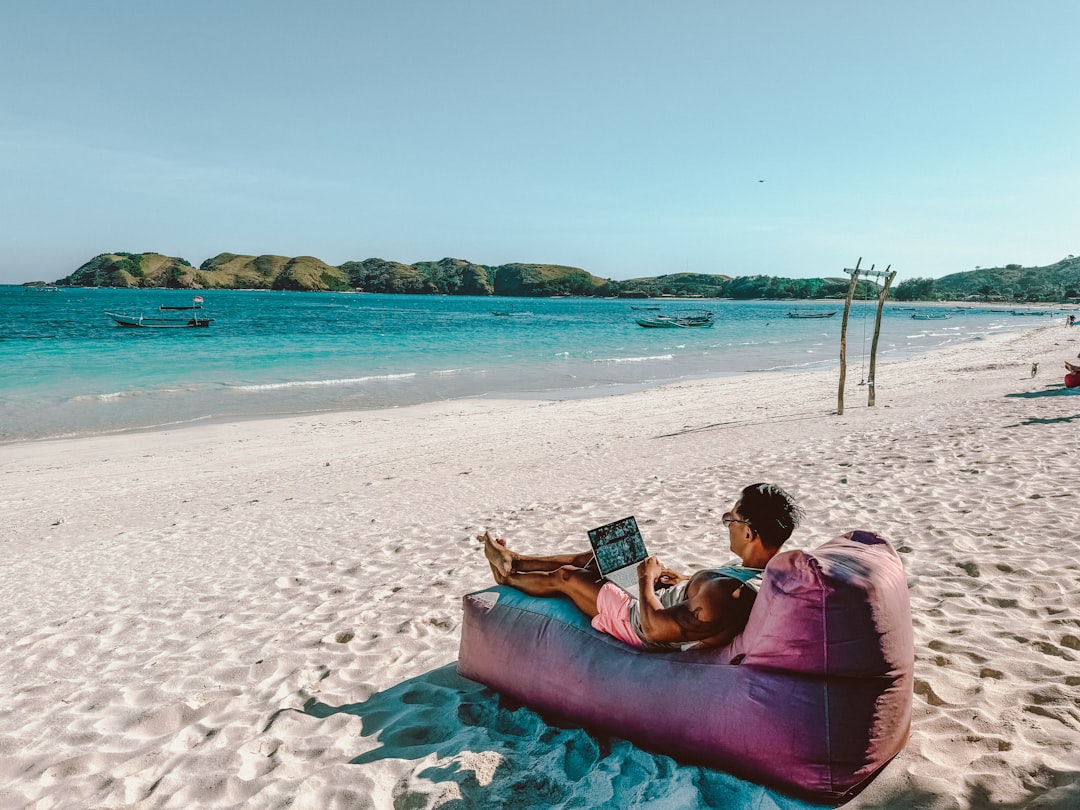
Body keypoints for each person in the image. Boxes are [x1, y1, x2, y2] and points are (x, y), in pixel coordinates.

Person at [481, 482, 803, 651]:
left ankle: (507, 577)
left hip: (636, 619)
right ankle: (517, 560)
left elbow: (653, 630)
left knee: (568, 577)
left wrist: (645, 579)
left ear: (749, 533)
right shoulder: (760, 572)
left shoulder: (724, 596)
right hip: (662, 598)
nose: (727, 523)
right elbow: (708, 594)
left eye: (730, 519)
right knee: (600, 557)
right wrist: (681, 580)